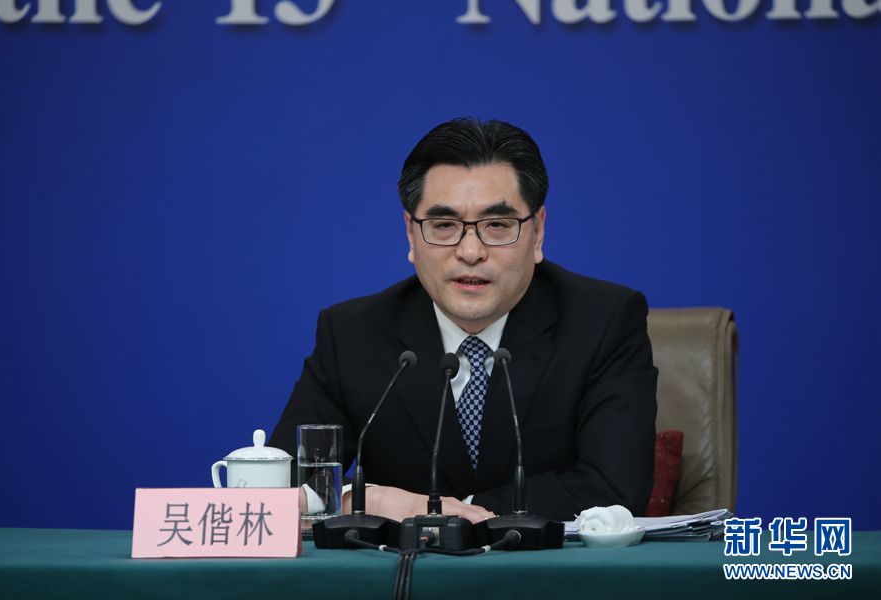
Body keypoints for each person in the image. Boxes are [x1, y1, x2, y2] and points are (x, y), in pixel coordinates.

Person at [269, 118, 657, 523]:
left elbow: (614, 486)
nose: (470, 252)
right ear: (411, 234)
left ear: (538, 232)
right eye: (444, 226)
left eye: (497, 225)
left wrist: (448, 515)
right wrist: (368, 501)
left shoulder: (603, 321)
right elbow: (283, 482)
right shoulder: (352, 334)